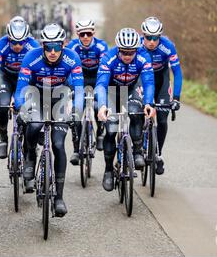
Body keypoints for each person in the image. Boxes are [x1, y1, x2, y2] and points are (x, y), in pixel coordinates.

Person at [14, 23, 84, 217]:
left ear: (63, 45)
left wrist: (76, 111)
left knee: (59, 145)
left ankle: (59, 197)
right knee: (34, 124)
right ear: (42, 45)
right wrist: (20, 107)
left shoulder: (72, 58)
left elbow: (78, 89)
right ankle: (29, 156)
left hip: (60, 97)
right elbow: (21, 87)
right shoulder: (31, 57)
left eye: (57, 47)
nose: (53, 52)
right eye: (48, 47)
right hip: (35, 95)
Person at [96, 28, 156, 192]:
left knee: (136, 112)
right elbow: (101, 85)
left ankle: (137, 151)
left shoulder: (144, 58)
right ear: (118, 49)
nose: (127, 56)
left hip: (132, 89)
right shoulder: (109, 58)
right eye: (124, 52)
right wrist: (102, 105)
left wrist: (148, 103)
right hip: (112, 91)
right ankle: (108, 170)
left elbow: (149, 82)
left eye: (131, 53)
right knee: (111, 128)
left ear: (137, 50)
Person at [0, 16, 40, 159]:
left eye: (21, 42)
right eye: (14, 42)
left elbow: (39, 70)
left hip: (26, 79)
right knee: (2, 105)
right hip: (6, 77)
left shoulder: (33, 45)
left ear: (27, 38)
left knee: (27, 107)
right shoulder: (1, 45)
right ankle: (3, 139)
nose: (17, 45)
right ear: (8, 38)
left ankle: (27, 143)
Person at [141, 17, 182, 175]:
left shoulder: (168, 46)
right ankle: (138, 145)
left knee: (163, 119)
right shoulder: (136, 46)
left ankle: (158, 154)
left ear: (160, 36)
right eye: (148, 38)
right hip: (142, 80)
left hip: (161, 80)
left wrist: (176, 98)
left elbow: (177, 73)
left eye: (155, 38)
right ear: (142, 35)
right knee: (137, 112)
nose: (151, 41)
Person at [66, 20, 109, 165]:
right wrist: (72, 88)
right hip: (80, 80)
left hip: (97, 79)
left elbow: (104, 69)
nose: (85, 37)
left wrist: (101, 86)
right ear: (77, 34)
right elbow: (70, 71)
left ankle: (100, 132)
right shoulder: (72, 46)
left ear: (93, 33)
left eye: (88, 33)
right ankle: (76, 150)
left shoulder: (101, 46)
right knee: (76, 112)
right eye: (82, 34)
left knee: (98, 106)